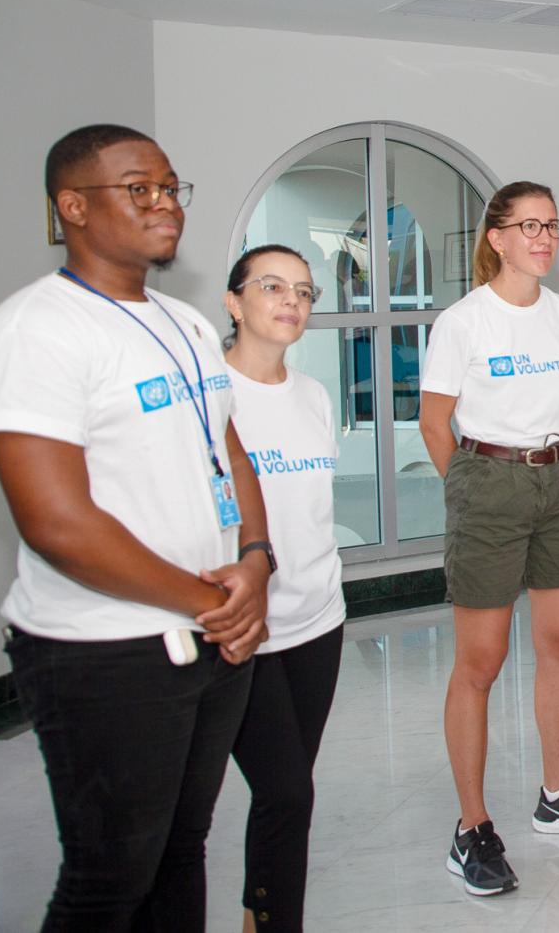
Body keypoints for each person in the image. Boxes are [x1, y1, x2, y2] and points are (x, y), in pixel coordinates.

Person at [0, 124, 271, 929]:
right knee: (110, 876)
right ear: (72, 206)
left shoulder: (186, 323)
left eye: (171, 186)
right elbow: (55, 522)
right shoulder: (36, 331)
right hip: (103, 655)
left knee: (181, 849)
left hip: (212, 636)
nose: (165, 204)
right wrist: (209, 600)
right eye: (138, 188)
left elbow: (230, 452)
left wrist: (254, 557)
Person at [420, 181, 559, 897]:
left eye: (553, 225)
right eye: (530, 226)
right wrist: (471, 494)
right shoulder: (463, 322)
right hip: (490, 478)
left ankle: (557, 795)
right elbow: (434, 421)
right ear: (497, 238)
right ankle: (471, 827)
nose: (545, 238)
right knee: (480, 663)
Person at [222, 245, 347, 931]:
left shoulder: (314, 396)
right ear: (234, 301)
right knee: (285, 790)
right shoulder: (207, 394)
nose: (292, 301)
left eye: (304, 290)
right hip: (244, 628)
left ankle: (258, 916)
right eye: (272, 287)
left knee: (285, 796)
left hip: (318, 620)